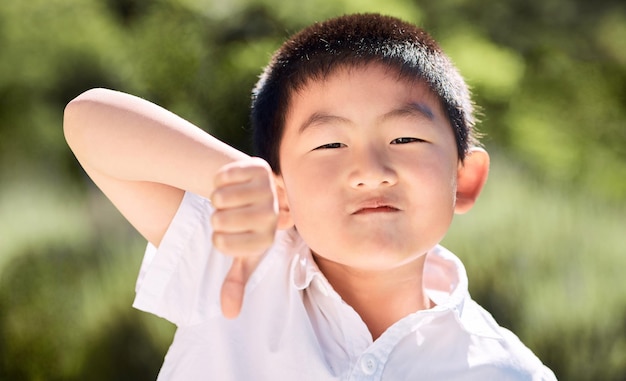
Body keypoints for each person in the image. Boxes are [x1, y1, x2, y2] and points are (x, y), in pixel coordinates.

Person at [64, 13, 557, 381]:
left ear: (465, 180)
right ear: (280, 184)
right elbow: (89, 121)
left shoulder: (507, 370)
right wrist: (231, 177)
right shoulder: (240, 261)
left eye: (405, 139)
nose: (370, 172)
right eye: (329, 144)